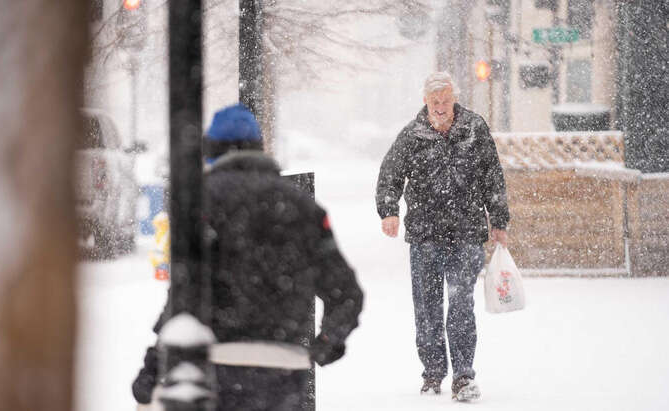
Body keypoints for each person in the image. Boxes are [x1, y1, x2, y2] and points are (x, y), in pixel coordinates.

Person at [133, 103, 364, 410]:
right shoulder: (303, 207)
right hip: (286, 372)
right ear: (260, 148)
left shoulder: (199, 201)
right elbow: (345, 292)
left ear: (210, 149)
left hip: (216, 367)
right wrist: (326, 345)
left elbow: (185, 294)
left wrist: (152, 368)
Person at [375, 72, 510, 402]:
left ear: (454, 100)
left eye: (445, 101)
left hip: (466, 234)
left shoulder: (474, 129)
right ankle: (433, 373)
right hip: (424, 236)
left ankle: (463, 377)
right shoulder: (412, 135)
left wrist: (499, 218)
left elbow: (493, 176)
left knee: (461, 305)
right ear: (425, 101)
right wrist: (389, 210)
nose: (439, 107)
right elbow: (389, 175)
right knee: (427, 308)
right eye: (434, 101)